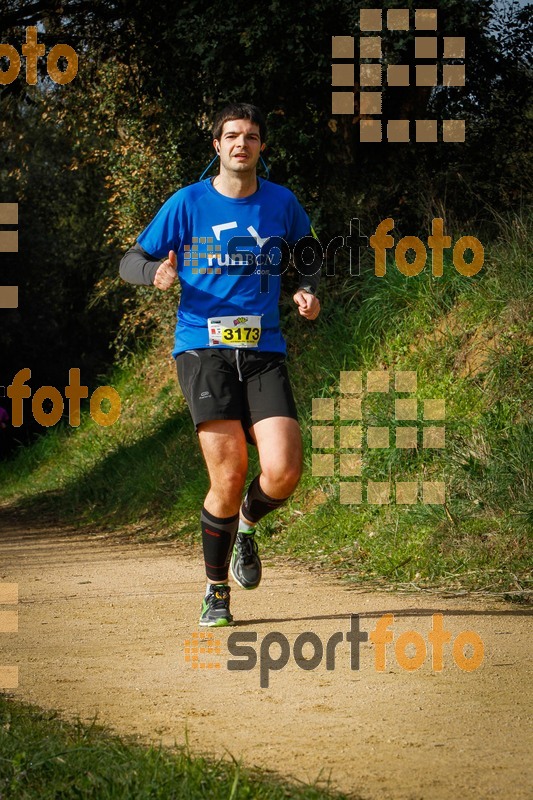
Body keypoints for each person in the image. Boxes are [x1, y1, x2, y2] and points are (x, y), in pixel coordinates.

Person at [120, 102, 320, 626]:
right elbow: (130, 260)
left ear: (261, 147)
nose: (242, 144)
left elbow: (310, 252)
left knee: (283, 470)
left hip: (264, 350)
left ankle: (247, 528)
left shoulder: (281, 202)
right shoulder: (186, 204)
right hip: (201, 350)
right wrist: (154, 276)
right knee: (229, 474)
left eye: (252, 136)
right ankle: (216, 591)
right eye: (232, 135)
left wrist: (306, 289)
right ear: (217, 146)